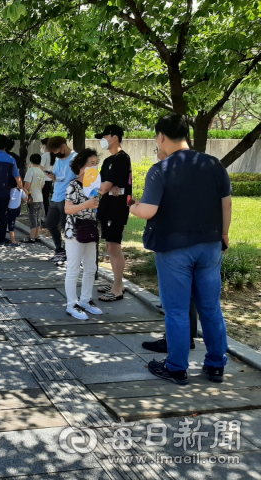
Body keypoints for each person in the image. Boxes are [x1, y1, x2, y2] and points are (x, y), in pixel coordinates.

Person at [130, 114, 231, 385]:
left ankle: (176, 367)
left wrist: (133, 206)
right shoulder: (213, 164)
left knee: (176, 310)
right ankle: (216, 365)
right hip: (210, 245)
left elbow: (149, 210)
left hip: (174, 248)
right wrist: (223, 235)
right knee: (210, 307)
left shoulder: (161, 169)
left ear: (162, 136)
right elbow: (226, 203)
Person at [63, 148, 103, 320]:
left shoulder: (94, 185)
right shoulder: (73, 184)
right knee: (73, 269)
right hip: (75, 231)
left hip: (91, 229)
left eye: (96, 164)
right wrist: (86, 204)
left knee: (91, 268)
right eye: (91, 164)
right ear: (81, 166)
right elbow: (68, 208)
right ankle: (72, 304)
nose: (94, 167)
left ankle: (86, 300)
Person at [95, 125, 132, 302]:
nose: (102, 140)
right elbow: (102, 184)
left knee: (114, 246)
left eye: (105, 136)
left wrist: (107, 187)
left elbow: (103, 187)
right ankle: (116, 283)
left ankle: (118, 287)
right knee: (110, 247)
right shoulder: (108, 161)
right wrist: (107, 187)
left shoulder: (122, 159)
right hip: (107, 206)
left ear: (114, 137)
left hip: (117, 208)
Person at [46, 136, 78, 262]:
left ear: (63, 147)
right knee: (50, 223)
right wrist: (53, 176)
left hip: (68, 197)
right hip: (56, 195)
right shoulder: (59, 160)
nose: (55, 154)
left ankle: (68, 252)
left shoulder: (76, 159)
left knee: (67, 226)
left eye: (56, 151)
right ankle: (59, 249)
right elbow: (58, 176)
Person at [22, 153, 46, 243]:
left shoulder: (31, 171)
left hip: (32, 197)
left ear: (31, 161)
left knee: (32, 217)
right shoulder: (41, 172)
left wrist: (25, 193)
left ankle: (31, 237)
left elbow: (27, 184)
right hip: (40, 197)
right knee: (38, 217)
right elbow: (43, 185)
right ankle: (37, 235)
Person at [40, 138, 54, 225]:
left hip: (43, 180)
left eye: (41, 145)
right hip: (49, 180)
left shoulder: (45, 156)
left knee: (43, 199)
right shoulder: (53, 155)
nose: (41, 147)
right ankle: (48, 217)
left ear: (45, 145)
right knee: (46, 198)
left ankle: (46, 218)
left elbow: (41, 167)